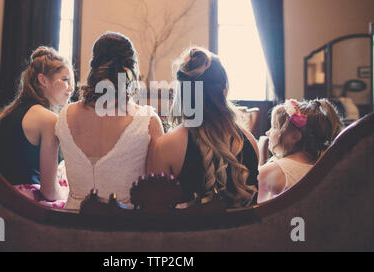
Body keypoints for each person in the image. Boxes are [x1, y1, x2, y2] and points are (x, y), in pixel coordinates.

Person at [56, 31, 164, 209]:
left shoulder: (65, 115)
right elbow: (154, 194)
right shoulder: (148, 121)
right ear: (132, 69)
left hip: (72, 228)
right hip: (125, 230)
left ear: (95, 66)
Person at [149, 47, 259, 208]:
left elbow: (154, 215)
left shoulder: (166, 146)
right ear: (224, 92)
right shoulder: (250, 143)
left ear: (182, 94)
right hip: (241, 234)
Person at [0, 46, 74, 207]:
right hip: (21, 205)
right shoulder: (48, 119)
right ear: (43, 80)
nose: (71, 88)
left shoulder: (10, 113)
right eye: (65, 80)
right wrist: (68, 193)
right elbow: (50, 192)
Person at [257, 99, 343, 203]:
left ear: (295, 137)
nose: (267, 132)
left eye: (274, 127)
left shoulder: (271, 171)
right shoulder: (325, 170)